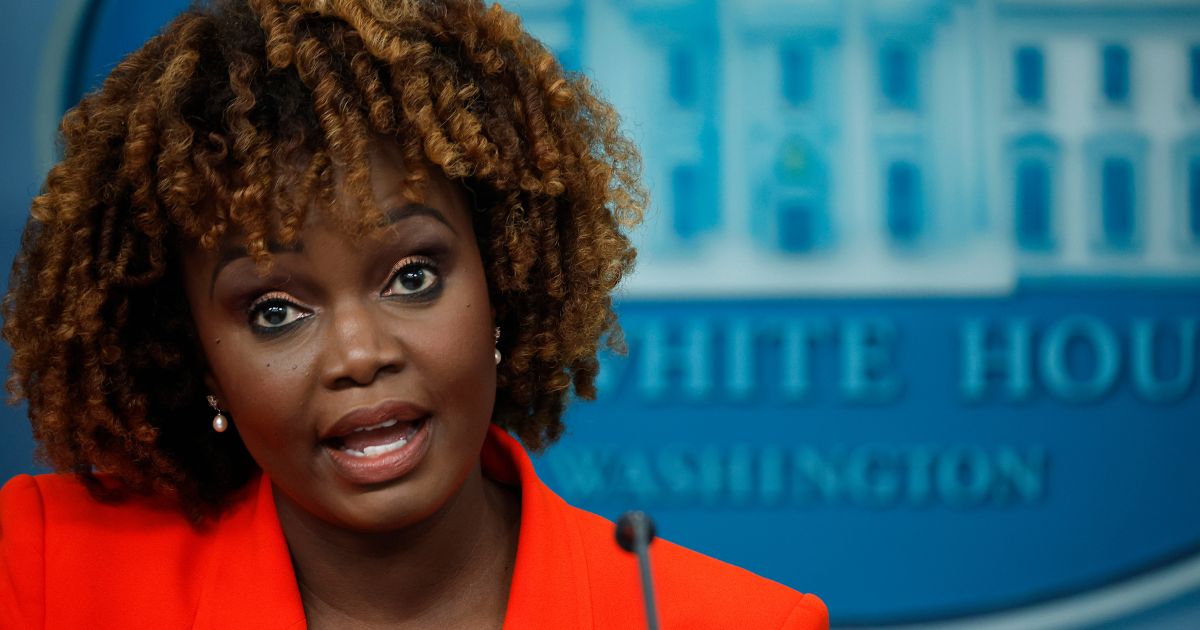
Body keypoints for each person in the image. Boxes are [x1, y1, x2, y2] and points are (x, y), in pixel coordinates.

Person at [0, 0, 828, 628]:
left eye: (413, 276)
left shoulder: (722, 618)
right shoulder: (43, 572)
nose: (360, 353)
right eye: (276, 310)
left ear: (501, 279)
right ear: (195, 354)